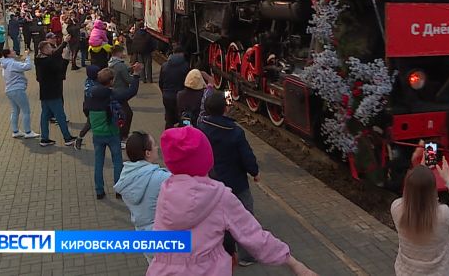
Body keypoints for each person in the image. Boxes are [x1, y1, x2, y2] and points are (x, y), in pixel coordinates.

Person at [148, 126, 315, 276]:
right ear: (207, 159)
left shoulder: (166, 191)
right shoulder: (219, 196)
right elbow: (254, 236)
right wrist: (293, 263)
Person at [198, 91, 261, 266]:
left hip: (212, 181)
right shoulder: (235, 132)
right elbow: (246, 156)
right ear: (225, 109)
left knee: (217, 218)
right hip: (236, 183)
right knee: (245, 218)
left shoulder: (201, 127)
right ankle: (247, 256)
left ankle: (225, 252)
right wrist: (254, 172)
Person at [390, 146, 449, 276]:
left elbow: (412, 195)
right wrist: (448, 180)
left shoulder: (396, 208)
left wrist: (420, 172)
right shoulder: (442, 215)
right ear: (432, 190)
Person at [113, 131, 171, 264]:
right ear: (147, 153)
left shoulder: (127, 177)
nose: (157, 148)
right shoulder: (159, 178)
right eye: (154, 145)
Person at [86, 66, 141, 199]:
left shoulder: (89, 93)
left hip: (97, 133)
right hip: (111, 132)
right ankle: (118, 190)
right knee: (117, 161)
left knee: (98, 162)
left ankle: (99, 191)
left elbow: (85, 110)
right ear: (110, 81)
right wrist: (136, 75)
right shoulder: (111, 94)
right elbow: (131, 91)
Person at [34, 40, 76, 147]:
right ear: (44, 50)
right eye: (49, 48)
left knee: (45, 116)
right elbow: (60, 70)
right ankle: (67, 138)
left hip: (44, 92)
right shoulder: (49, 62)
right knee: (60, 116)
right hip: (53, 92)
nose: (51, 49)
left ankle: (44, 138)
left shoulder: (38, 60)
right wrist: (65, 60)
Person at [0, 49, 40, 139]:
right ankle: (28, 132)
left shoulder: (5, 64)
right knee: (26, 111)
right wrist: (28, 56)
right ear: (9, 55)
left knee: (15, 110)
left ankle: (15, 131)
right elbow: (28, 66)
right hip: (17, 89)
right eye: (12, 51)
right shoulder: (12, 63)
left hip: (9, 89)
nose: (15, 52)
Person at [108, 45, 135, 146]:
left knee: (124, 114)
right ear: (119, 53)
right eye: (122, 52)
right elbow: (128, 80)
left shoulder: (111, 62)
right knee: (127, 114)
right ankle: (122, 137)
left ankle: (122, 136)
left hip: (114, 91)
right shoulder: (120, 65)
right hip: (121, 93)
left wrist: (129, 69)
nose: (123, 54)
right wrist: (136, 75)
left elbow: (119, 73)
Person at [159, 45, 190, 129]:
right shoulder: (186, 66)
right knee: (184, 118)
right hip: (181, 97)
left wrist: (164, 92)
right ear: (182, 54)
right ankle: (184, 134)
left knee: (169, 119)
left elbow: (160, 83)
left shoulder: (164, 65)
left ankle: (168, 136)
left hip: (167, 96)